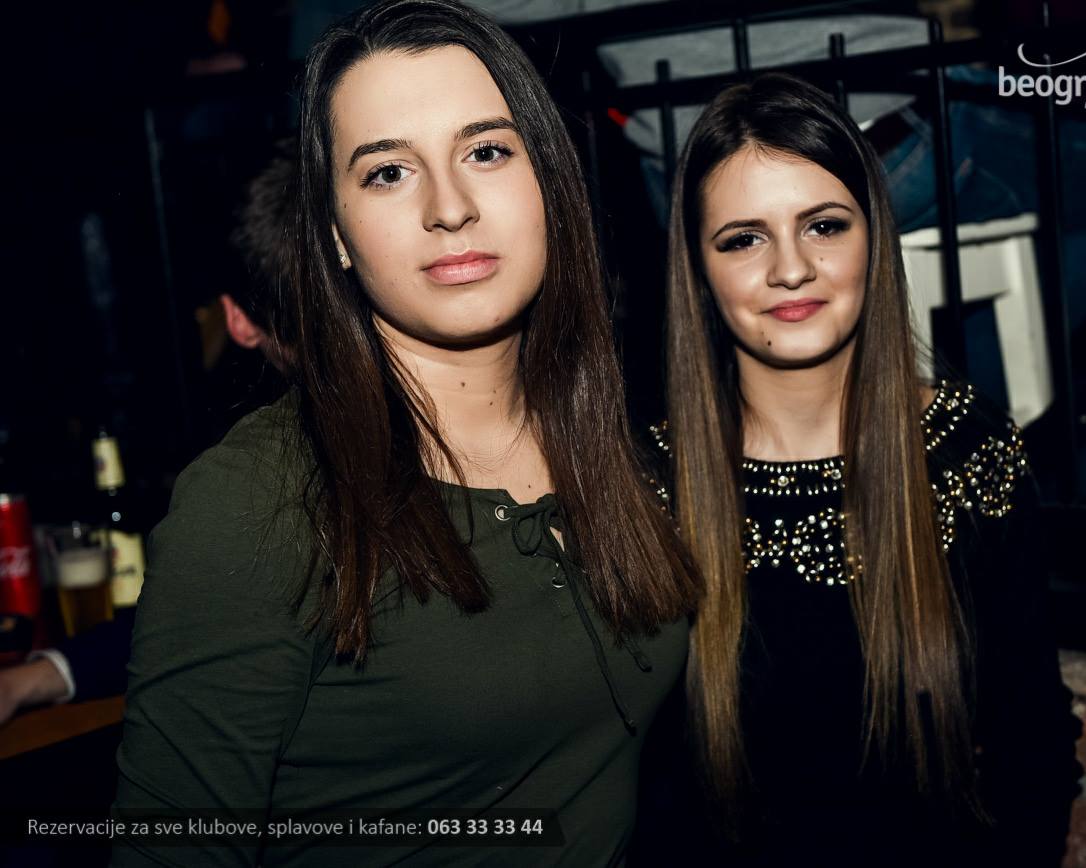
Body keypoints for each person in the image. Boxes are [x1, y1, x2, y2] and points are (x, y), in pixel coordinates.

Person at [110, 1, 699, 865]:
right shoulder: (261, 498)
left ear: (550, 183)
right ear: (337, 237)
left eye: (486, 152)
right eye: (388, 172)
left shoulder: (616, 450)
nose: (449, 207)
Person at [635, 73, 1081, 867]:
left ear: (875, 236)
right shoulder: (646, 485)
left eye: (824, 226)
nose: (791, 269)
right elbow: (645, 794)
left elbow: (1032, 746)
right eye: (743, 239)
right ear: (698, 267)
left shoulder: (969, 452)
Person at [0, 146, 298, 727]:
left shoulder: (258, 473)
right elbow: (200, 608)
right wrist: (42, 674)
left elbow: (195, 619)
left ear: (236, 321)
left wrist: (30, 678)